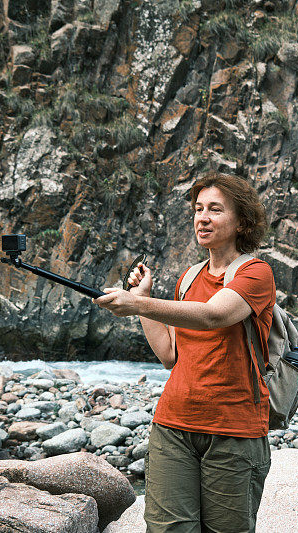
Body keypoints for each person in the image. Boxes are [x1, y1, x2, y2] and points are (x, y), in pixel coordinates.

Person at [93, 171, 276, 532]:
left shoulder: (256, 274)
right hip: (173, 426)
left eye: (215, 210)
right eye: (198, 209)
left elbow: (214, 315)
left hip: (234, 433)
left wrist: (137, 305)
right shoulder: (189, 277)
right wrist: (142, 299)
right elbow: (169, 355)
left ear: (242, 222)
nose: (202, 218)